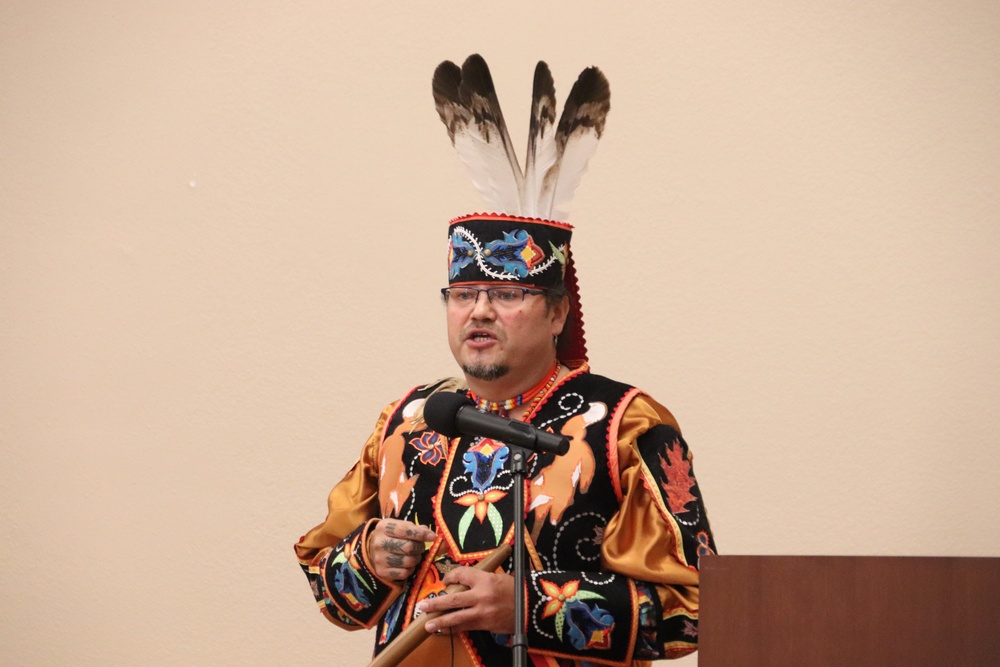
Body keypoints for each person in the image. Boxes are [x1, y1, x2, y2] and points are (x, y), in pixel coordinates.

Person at [294, 56, 715, 667]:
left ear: (557, 313)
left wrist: (529, 606)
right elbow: (328, 589)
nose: (480, 312)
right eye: (463, 296)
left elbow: (696, 608)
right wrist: (367, 557)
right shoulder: (408, 421)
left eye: (508, 295)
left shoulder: (626, 425)